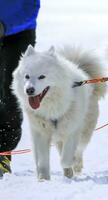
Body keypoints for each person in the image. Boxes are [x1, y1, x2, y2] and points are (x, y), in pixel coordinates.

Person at [0, 0, 40, 177]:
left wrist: (4, 26)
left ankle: (3, 154)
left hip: (18, 35)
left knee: (10, 95)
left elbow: (31, 6)